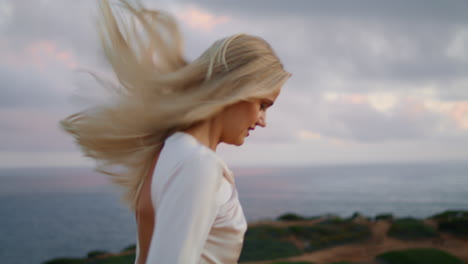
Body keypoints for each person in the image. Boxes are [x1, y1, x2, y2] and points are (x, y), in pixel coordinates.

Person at [60, 0, 291, 263]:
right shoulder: (198, 165)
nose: (263, 121)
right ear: (237, 88)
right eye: (263, 105)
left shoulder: (171, 149)